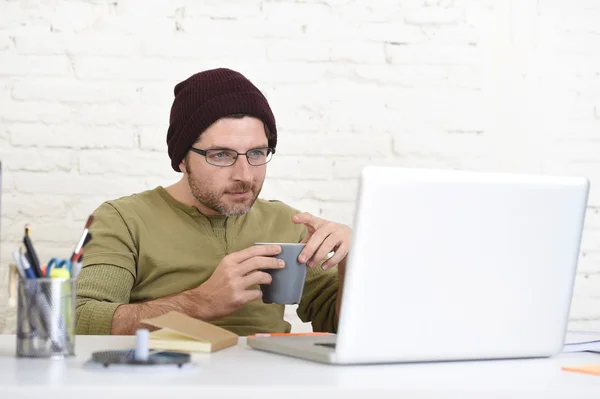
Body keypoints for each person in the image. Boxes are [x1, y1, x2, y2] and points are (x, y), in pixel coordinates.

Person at [75, 68, 352, 336]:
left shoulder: (287, 223)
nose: (244, 175)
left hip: (269, 379)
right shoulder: (123, 220)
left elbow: (341, 326)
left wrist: (352, 263)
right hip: (165, 378)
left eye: (256, 153)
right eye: (221, 155)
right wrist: (199, 302)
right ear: (182, 159)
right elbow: (80, 318)